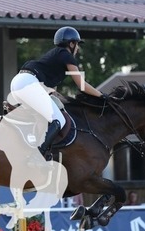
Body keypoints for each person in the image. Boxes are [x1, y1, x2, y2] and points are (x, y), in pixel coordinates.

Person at [10, 26, 107, 159]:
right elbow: (82, 85)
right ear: (71, 44)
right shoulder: (66, 55)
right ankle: (38, 154)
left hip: (18, 83)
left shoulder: (55, 56)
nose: (78, 48)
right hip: (28, 84)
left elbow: (53, 92)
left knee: (42, 117)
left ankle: (30, 144)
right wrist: (102, 96)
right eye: (77, 44)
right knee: (59, 119)